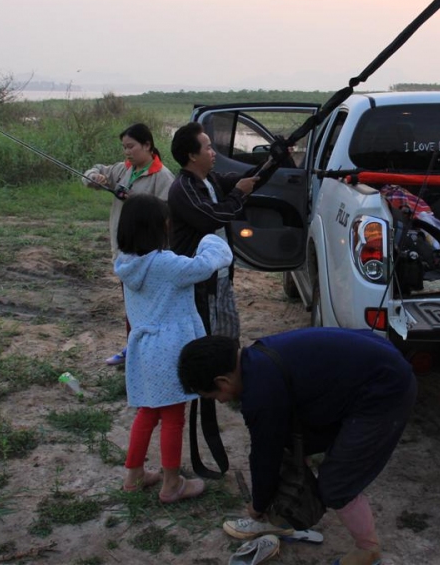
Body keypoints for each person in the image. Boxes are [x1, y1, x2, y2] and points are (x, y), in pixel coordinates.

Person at [178, 328, 417, 565]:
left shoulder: (261, 394)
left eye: (212, 396)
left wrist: (258, 505)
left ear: (222, 380)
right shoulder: (255, 359)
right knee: (289, 445)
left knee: (336, 484)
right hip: (369, 368)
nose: (219, 401)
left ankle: (368, 550)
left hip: (385, 389)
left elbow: (264, 455)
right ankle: (280, 521)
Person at [114, 194, 233, 502]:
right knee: (173, 417)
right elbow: (205, 266)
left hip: (142, 348)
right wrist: (211, 240)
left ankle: (134, 475)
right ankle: (171, 484)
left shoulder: (126, 263)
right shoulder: (166, 264)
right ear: (157, 228)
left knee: (148, 413)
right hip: (169, 350)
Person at [82, 122, 174, 366]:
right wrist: (95, 178)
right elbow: (93, 172)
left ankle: (148, 354)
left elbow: (168, 212)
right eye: (124, 147)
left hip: (147, 255)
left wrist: (136, 201)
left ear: (147, 145)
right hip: (122, 250)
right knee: (131, 306)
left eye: (131, 146)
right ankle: (133, 350)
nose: (127, 152)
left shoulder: (162, 176)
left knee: (148, 307)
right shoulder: (123, 170)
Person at [168, 122, 259, 339]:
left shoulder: (210, 180)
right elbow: (213, 218)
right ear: (192, 155)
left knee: (227, 333)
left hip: (221, 275)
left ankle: (227, 370)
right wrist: (238, 193)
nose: (213, 152)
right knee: (205, 335)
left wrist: (275, 158)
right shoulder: (183, 188)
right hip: (200, 282)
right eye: (208, 147)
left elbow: (248, 180)